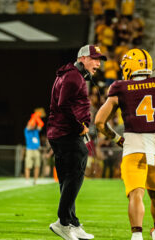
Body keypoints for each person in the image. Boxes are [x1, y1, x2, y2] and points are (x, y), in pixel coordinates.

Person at [95, 48, 155, 240]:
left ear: (130, 67)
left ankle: (137, 236)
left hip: (133, 146)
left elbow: (99, 121)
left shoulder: (119, 87)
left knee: (136, 194)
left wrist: (116, 138)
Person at [47, 44, 107, 240]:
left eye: (99, 59)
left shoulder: (69, 74)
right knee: (74, 177)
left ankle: (72, 221)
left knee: (67, 178)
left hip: (60, 133)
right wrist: (79, 126)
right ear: (82, 59)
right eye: (95, 58)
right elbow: (63, 105)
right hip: (67, 134)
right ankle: (63, 222)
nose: (98, 63)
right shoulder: (74, 76)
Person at [24, 110, 44, 185]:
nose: (32, 125)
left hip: (36, 150)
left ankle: (35, 180)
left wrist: (37, 117)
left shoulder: (36, 130)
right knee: (28, 165)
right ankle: (27, 180)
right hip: (29, 149)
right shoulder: (27, 130)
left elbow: (41, 125)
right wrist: (34, 116)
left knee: (37, 165)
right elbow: (29, 125)